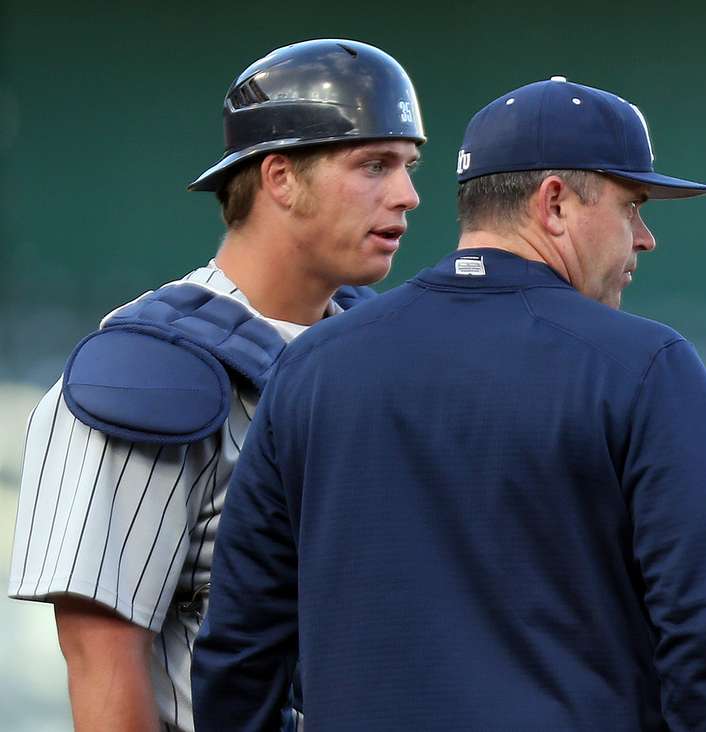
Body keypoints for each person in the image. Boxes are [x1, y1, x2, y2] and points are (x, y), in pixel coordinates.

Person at [191, 76, 706, 731]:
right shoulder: (645, 368)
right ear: (554, 203)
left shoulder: (313, 367)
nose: (643, 237)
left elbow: (238, 654)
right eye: (631, 204)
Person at [6, 38, 425, 731]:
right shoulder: (145, 377)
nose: (407, 194)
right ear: (280, 178)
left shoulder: (390, 352)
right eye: (373, 165)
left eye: (409, 166)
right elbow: (103, 663)